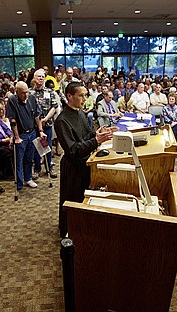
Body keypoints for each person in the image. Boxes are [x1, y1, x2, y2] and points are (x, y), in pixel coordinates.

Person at [54, 82, 113, 238]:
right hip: (73, 166)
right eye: (81, 95)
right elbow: (72, 149)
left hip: (86, 161)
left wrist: (97, 134)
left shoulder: (80, 113)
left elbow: (86, 137)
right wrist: (96, 140)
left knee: (83, 198)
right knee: (72, 200)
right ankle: (69, 231)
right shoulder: (62, 120)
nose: (84, 98)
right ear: (69, 96)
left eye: (85, 95)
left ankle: (82, 229)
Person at [6, 81, 47, 190]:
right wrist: (17, 137)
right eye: (23, 93)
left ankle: (28, 178)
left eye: (27, 92)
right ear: (17, 92)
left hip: (32, 132)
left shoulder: (32, 98)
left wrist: (41, 130)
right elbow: (12, 120)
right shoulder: (12, 100)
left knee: (29, 158)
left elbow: (37, 116)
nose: (26, 95)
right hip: (21, 134)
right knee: (19, 160)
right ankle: (19, 183)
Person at [29, 69, 59, 180]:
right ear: (34, 78)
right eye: (39, 76)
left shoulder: (50, 92)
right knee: (36, 147)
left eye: (43, 76)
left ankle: (49, 167)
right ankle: (37, 169)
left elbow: (54, 107)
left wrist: (45, 119)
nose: (41, 78)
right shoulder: (29, 93)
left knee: (48, 146)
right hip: (34, 126)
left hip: (47, 123)